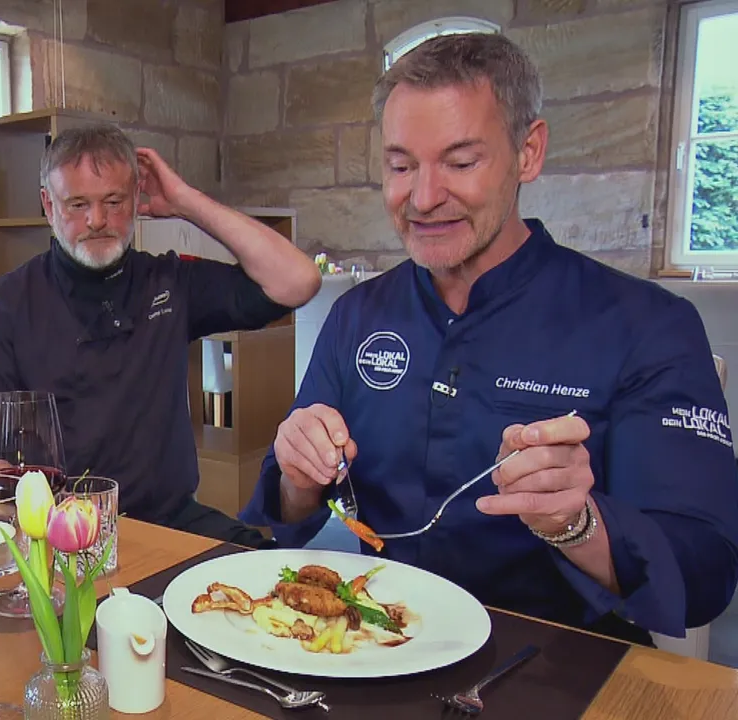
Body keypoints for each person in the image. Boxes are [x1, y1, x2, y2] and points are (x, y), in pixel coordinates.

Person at [240, 32, 738, 645]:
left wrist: (576, 523)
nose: (423, 198)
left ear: (528, 152)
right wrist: (299, 474)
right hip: (375, 646)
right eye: (401, 166)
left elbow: (705, 572)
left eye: (460, 162)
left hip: (556, 659)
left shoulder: (647, 325)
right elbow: (288, 515)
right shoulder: (356, 316)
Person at [0, 124, 321, 546]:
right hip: (62, 535)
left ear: (136, 198)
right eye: (77, 204)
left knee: (269, 568)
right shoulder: (3, 305)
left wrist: (185, 201)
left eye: (114, 202)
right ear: (48, 206)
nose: (97, 220)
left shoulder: (167, 282)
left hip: (171, 523)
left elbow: (299, 280)